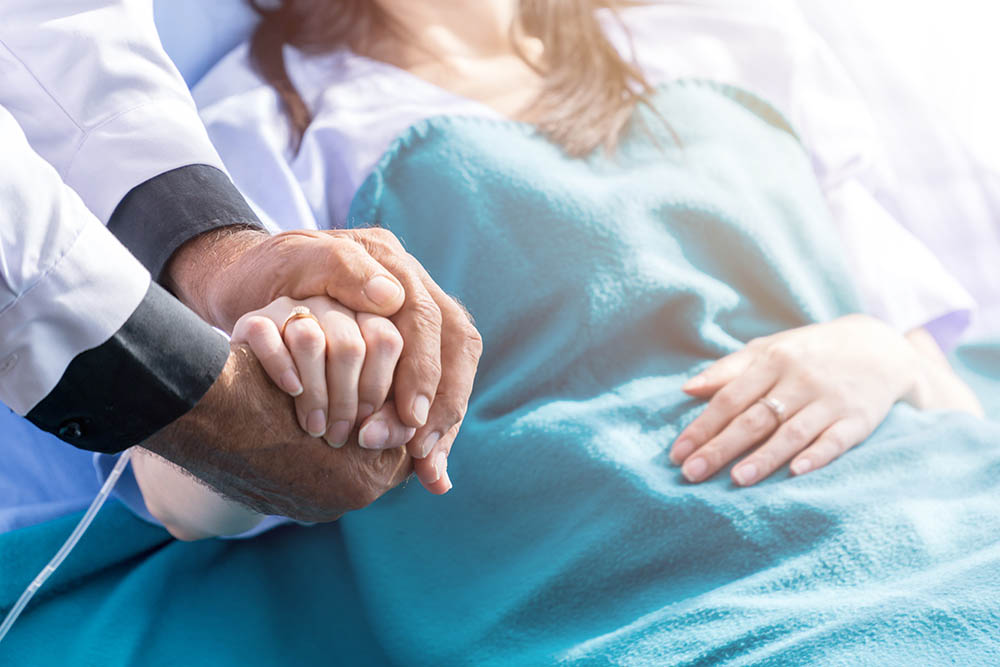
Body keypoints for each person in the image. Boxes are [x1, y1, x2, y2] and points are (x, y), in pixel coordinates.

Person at [106, 1, 1000, 663]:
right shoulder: (255, 130)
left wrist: (874, 351)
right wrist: (290, 367)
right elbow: (185, 493)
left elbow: (941, 374)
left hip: (932, 513)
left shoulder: (738, 38)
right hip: (639, 596)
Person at [0, 0, 482, 529]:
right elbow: (177, 487)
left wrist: (221, 256)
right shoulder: (274, 108)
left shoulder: (589, 44)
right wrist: (250, 389)